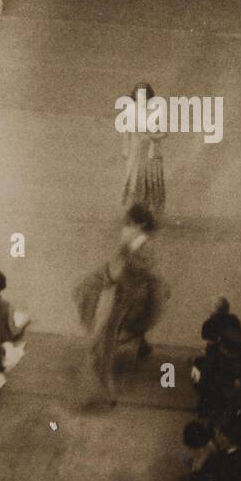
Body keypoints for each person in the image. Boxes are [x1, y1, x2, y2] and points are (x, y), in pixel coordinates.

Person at [74, 204, 167, 407]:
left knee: (104, 341)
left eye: (130, 223)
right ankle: (140, 346)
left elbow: (116, 274)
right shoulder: (143, 246)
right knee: (121, 331)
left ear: (138, 224)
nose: (126, 227)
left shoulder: (135, 249)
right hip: (139, 300)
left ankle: (108, 391)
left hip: (128, 300)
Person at [122, 83, 167, 219]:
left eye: (144, 95)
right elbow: (126, 132)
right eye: (138, 95)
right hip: (136, 154)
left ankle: (148, 210)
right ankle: (133, 210)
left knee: (150, 181)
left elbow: (164, 133)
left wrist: (151, 136)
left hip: (151, 153)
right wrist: (125, 149)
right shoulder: (130, 111)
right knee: (135, 181)